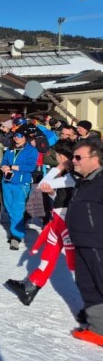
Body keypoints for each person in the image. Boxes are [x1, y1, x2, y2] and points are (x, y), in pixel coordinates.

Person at [5, 140, 77, 306]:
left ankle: (93, 302)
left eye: (57, 156)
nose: (55, 159)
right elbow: (57, 195)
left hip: (65, 221)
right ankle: (31, 287)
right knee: (50, 254)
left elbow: (45, 182)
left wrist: (58, 168)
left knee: (76, 261)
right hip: (60, 218)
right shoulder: (70, 175)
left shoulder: (72, 175)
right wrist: (52, 193)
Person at [65, 141, 103, 345]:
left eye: (79, 157)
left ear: (95, 159)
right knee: (87, 286)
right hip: (81, 241)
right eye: (74, 157)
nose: (74, 161)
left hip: (98, 242)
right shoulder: (84, 181)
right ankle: (99, 329)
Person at [0, 130, 39, 250]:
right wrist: (4, 167)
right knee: (9, 208)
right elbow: (3, 161)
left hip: (21, 183)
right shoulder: (10, 149)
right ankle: (16, 229)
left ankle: (16, 236)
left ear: (25, 137)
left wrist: (13, 167)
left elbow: (31, 166)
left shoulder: (31, 150)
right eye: (15, 135)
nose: (17, 137)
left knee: (17, 209)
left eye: (20, 135)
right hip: (7, 181)